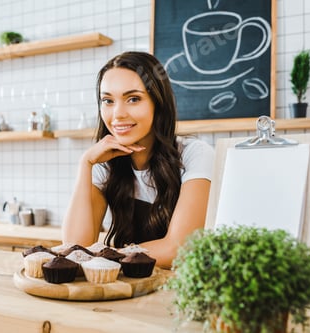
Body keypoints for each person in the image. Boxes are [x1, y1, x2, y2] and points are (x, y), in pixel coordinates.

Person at [62, 52, 215, 269]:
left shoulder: (194, 154)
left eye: (133, 99)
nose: (118, 114)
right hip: (127, 289)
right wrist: (85, 164)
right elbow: (75, 248)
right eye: (107, 100)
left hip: (181, 291)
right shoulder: (104, 165)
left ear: (158, 102)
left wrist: (103, 257)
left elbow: (178, 248)